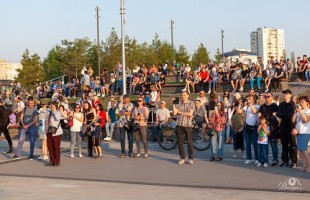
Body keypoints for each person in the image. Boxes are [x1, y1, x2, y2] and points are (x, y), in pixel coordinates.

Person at [172, 91, 195, 165]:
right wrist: (173, 104)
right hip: (179, 124)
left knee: (189, 142)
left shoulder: (191, 103)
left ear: (188, 96)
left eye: (184, 95)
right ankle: (182, 158)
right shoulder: (178, 103)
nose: (183, 96)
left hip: (187, 124)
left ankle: (190, 158)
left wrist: (180, 112)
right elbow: (175, 113)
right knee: (180, 142)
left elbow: (190, 114)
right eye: (182, 95)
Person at [277, 89, 297, 168]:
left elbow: (290, 115)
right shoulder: (281, 104)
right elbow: (279, 114)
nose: (285, 95)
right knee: (284, 144)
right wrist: (285, 114)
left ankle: (294, 161)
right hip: (283, 127)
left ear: (290, 95)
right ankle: (285, 161)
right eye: (284, 94)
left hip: (290, 126)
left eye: (287, 94)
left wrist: (283, 114)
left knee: (292, 145)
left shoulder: (292, 104)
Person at [258, 92, 279, 166]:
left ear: (272, 97)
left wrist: (266, 120)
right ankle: (263, 160)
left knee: (273, 145)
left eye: (268, 96)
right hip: (263, 128)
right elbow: (260, 116)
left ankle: (275, 159)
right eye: (265, 97)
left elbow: (275, 117)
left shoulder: (275, 106)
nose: (267, 98)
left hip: (272, 128)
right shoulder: (262, 106)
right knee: (263, 144)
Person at [292, 96, 310, 172]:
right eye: (300, 101)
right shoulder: (299, 111)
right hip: (298, 133)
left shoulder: (308, 111)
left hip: (305, 132)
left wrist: (300, 111)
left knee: (305, 150)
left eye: (302, 101)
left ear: (307, 103)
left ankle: (309, 166)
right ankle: (304, 165)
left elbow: (306, 120)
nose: (301, 103)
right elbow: (293, 120)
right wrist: (295, 113)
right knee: (301, 150)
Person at [45, 101, 65, 166]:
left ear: (55, 106)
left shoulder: (58, 112)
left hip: (56, 132)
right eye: (51, 105)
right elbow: (44, 119)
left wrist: (53, 111)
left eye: (52, 105)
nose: (51, 107)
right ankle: (52, 161)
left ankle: (57, 161)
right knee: (50, 147)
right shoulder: (48, 112)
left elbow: (57, 119)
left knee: (56, 147)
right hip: (48, 131)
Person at [243, 95, 260, 165]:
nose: (248, 100)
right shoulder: (246, 107)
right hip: (247, 127)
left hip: (254, 127)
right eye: (248, 99)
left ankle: (257, 158)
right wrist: (240, 104)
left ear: (253, 99)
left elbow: (254, 111)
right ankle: (249, 158)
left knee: (255, 144)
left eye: (250, 99)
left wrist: (250, 104)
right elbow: (239, 111)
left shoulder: (257, 106)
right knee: (247, 144)